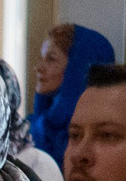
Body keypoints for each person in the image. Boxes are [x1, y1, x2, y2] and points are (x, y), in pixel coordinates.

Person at [27, 23, 117, 165]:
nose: (39, 68)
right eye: (42, 58)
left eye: (51, 59)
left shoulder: (103, 139)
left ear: (77, 69)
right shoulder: (29, 129)